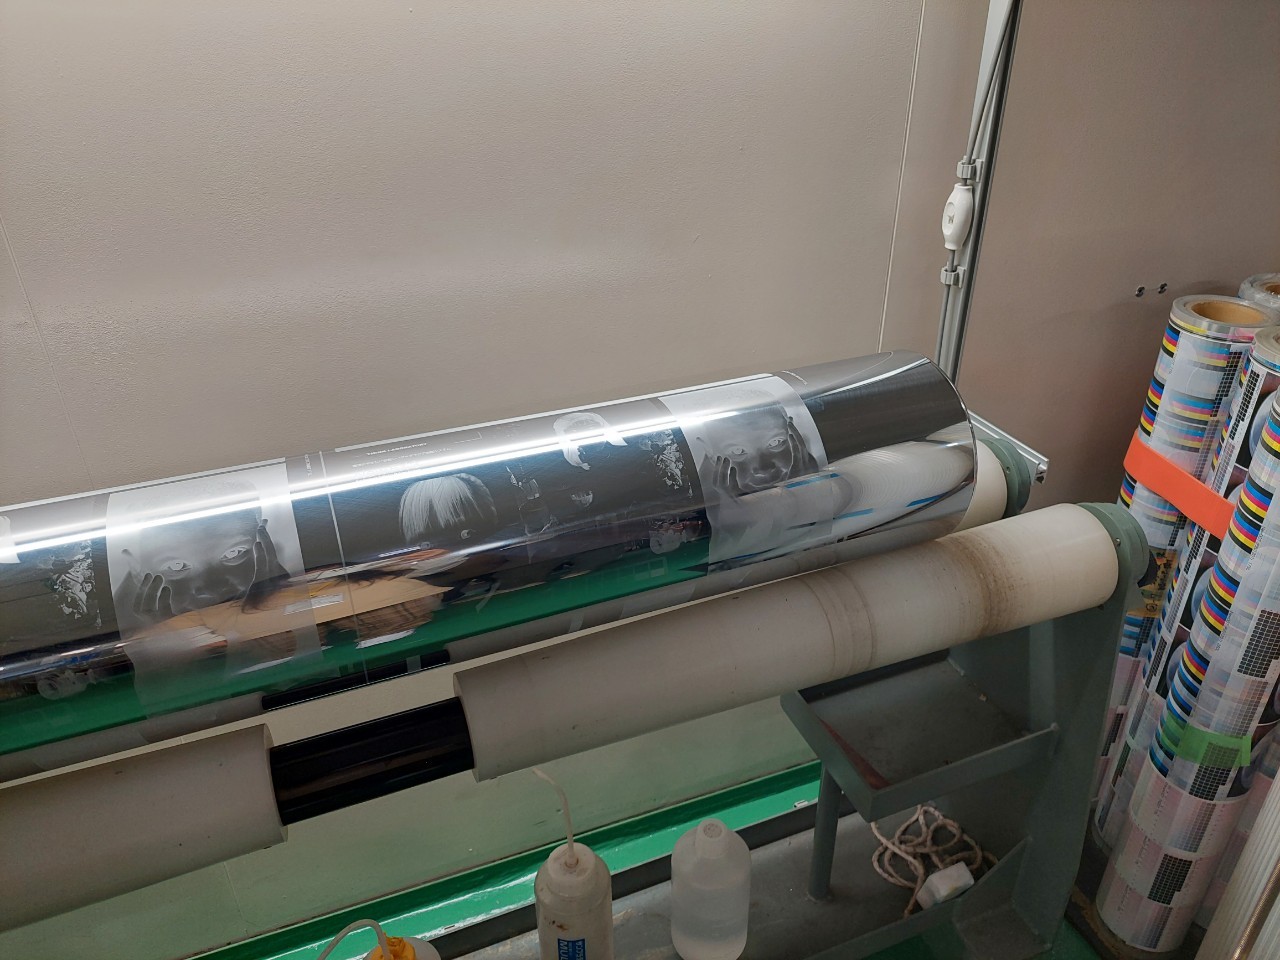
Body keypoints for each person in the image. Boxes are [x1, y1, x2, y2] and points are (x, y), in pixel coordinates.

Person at [111, 477, 290, 633]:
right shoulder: (115, 631)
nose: (213, 588)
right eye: (177, 566)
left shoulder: (281, 581)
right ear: (136, 570)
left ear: (264, 541)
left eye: (234, 553)